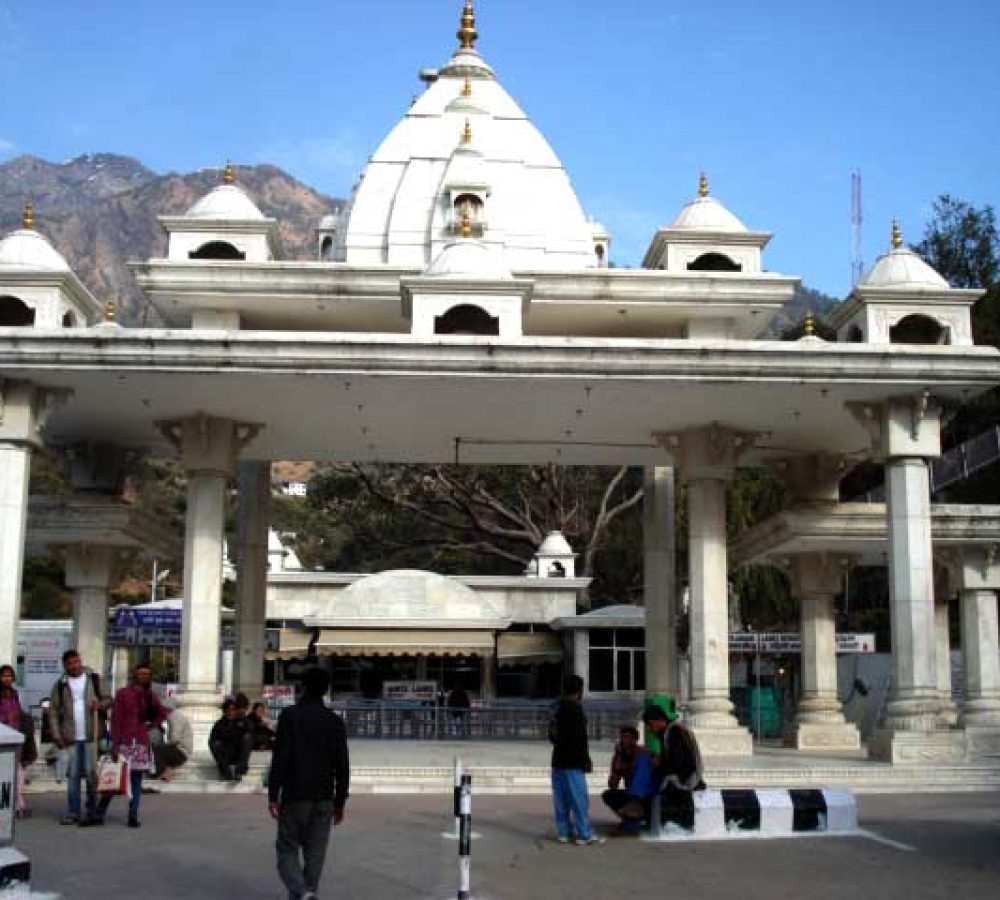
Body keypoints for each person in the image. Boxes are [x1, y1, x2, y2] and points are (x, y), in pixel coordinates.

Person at [268, 666, 349, 900]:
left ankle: (302, 892)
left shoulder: (290, 716)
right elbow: (342, 766)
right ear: (326, 690)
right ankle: (307, 892)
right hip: (324, 796)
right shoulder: (334, 722)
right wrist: (340, 801)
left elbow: (280, 757)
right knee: (315, 855)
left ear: (303, 686)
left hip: (295, 794)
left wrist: (274, 794)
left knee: (286, 850)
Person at [88, 663, 168, 828]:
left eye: (147, 673)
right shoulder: (123, 694)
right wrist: (115, 745)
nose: (144, 676)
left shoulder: (150, 696)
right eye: (141, 673)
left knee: (136, 781)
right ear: (134, 674)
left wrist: (150, 725)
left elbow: (162, 714)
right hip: (123, 741)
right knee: (114, 778)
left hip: (140, 742)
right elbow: (116, 720)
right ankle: (99, 813)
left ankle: (133, 815)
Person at [47, 649, 111, 825]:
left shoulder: (94, 679)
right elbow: (52, 711)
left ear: (80, 661)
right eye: (70, 663)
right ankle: (73, 811)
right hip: (70, 737)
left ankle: (92, 811)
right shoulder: (60, 684)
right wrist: (56, 733)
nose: (74, 665)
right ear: (65, 665)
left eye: (76, 661)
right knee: (73, 775)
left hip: (91, 735)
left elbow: (108, 699)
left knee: (92, 775)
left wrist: (100, 704)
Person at [548, 674, 604, 845]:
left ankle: (564, 832)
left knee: (561, 800)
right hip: (573, 761)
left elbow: (552, 734)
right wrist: (585, 759)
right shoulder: (576, 709)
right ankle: (584, 833)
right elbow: (581, 738)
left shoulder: (556, 707)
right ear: (579, 691)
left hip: (558, 759)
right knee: (579, 800)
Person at [642, 704, 705, 830]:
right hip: (680, 774)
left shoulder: (674, 732)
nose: (649, 729)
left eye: (649, 725)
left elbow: (678, 762)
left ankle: (665, 823)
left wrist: (659, 764)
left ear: (657, 721)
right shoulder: (668, 732)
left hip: (685, 777)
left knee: (657, 787)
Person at [601, 725, 655, 836]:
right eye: (622, 737)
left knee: (638, 796)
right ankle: (630, 817)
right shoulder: (619, 756)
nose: (623, 740)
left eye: (627, 737)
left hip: (646, 795)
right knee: (608, 795)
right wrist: (617, 768)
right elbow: (613, 785)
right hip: (630, 794)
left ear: (635, 740)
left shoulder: (643, 753)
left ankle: (632, 821)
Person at [0, 664, 34, 818]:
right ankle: (16, 805)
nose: (7, 678)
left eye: (9, 675)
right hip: (2, 738)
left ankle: (17, 804)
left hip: (16, 737)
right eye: (4, 675)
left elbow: (19, 713)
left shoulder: (15, 694)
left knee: (19, 772)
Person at [209, 698, 253, 781]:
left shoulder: (243, 721)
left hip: (239, 754)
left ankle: (239, 771)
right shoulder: (219, 724)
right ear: (224, 712)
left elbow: (249, 731)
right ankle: (226, 772)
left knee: (247, 737)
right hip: (226, 754)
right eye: (228, 710)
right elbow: (214, 739)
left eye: (233, 710)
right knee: (213, 743)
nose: (230, 712)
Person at [152, 699, 193, 781]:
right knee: (156, 748)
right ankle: (164, 771)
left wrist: (163, 745)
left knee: (156, 749)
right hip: (179, 750)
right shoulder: (172, 716)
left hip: (181, 752)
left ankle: (162, 773)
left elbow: (175, 739)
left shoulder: (176, 717)